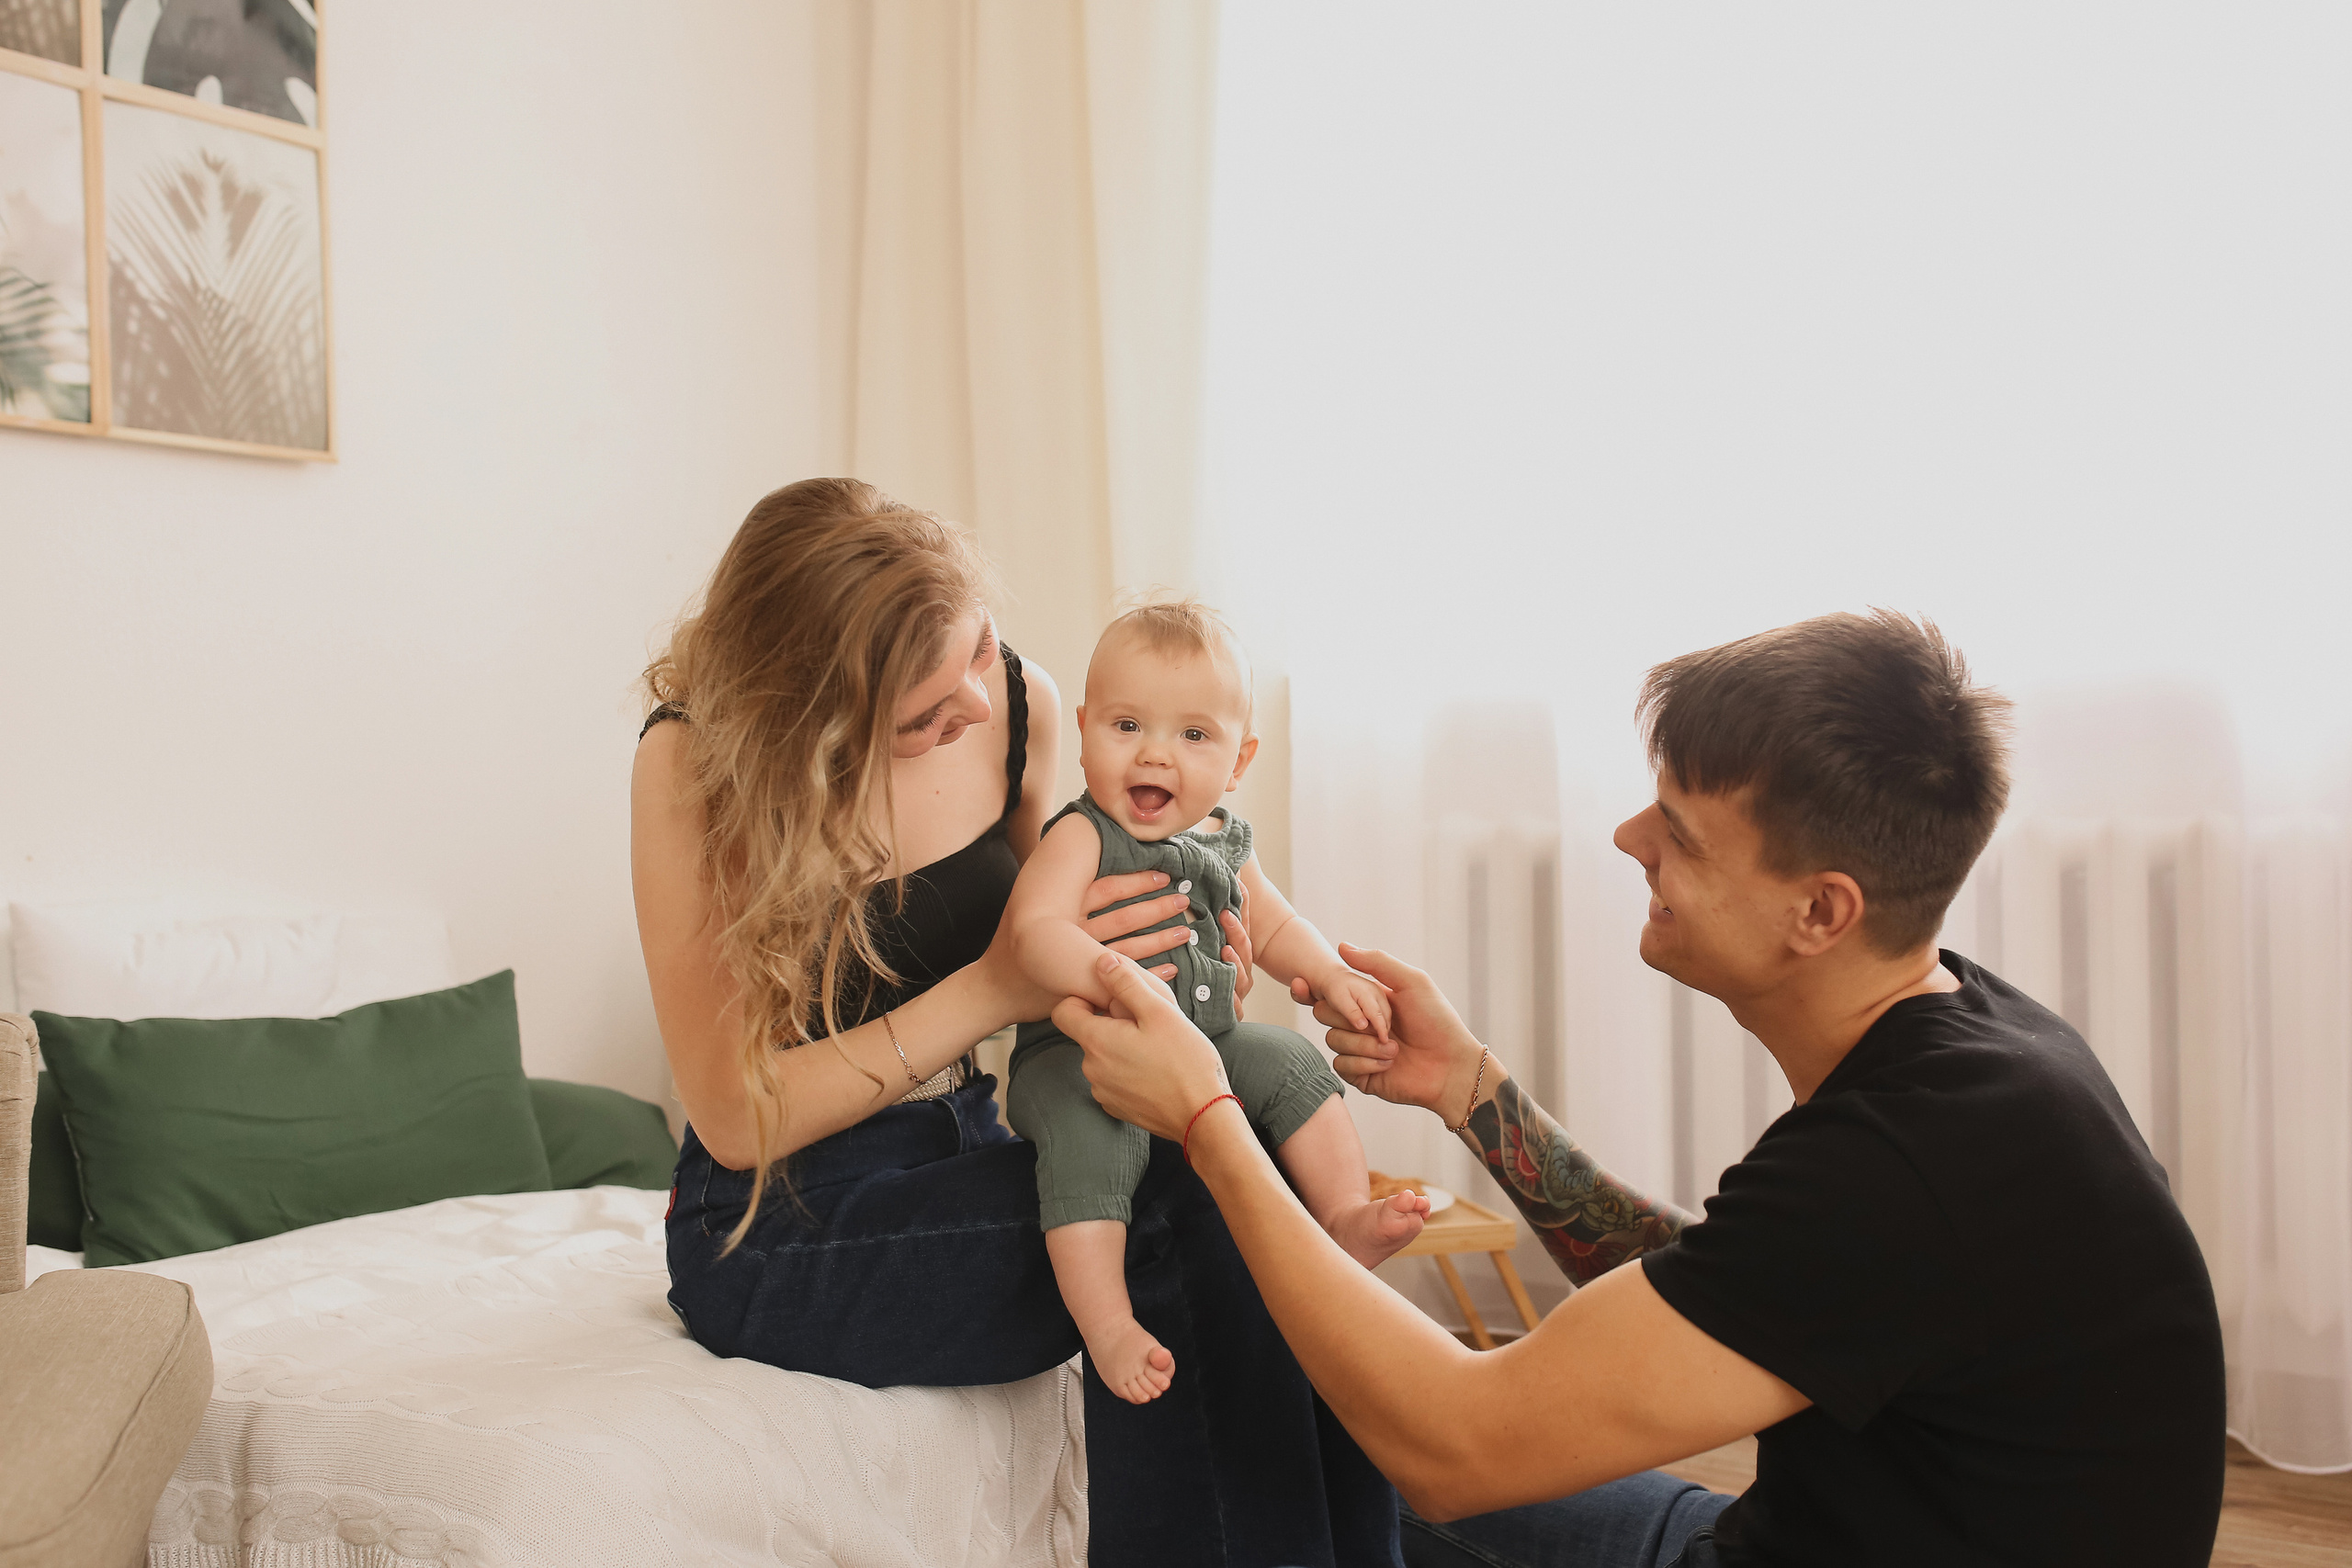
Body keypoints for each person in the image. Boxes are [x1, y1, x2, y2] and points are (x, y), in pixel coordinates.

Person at [1054, 611, 2227, 1567]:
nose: (1626, 839)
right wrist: (1470, 1091)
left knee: (1281, 1428)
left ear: (1820, 911)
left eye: (1679, 832)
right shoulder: (1971, 1042)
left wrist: (1207, 1117)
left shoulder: (1902, 1166)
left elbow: (1453, 1450)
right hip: (1791, 1536)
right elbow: (1732, 1289)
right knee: (1300, 1428)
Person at [631, 479, 1404, 1567]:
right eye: (923, 715)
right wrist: (993, 988)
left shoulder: (1020, 703)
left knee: (1238, 1154)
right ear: (815, 715)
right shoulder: (692, 761)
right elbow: (732, 1119)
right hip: (780, 1218)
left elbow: (1084, 932)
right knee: (1187, 1192)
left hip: (972, 1141)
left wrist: (1190, 960)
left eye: (978, 648)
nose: (973, 704)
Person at [1002, 599, 1430, 1403]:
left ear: (1239, 760)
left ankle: (1342, 1216)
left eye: (1194, 735)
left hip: (1205, 1044)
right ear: (1086, 731)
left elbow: (1275, 925)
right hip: (1081, 1054)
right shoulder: (1082, 835)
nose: (1155, 753)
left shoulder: (1226, 842)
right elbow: (1033, 931)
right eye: (1127, 725)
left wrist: (1329, 974)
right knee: (1095, 1144)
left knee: (1292, 1061)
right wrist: (1111, 974)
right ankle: (1108, 1321)